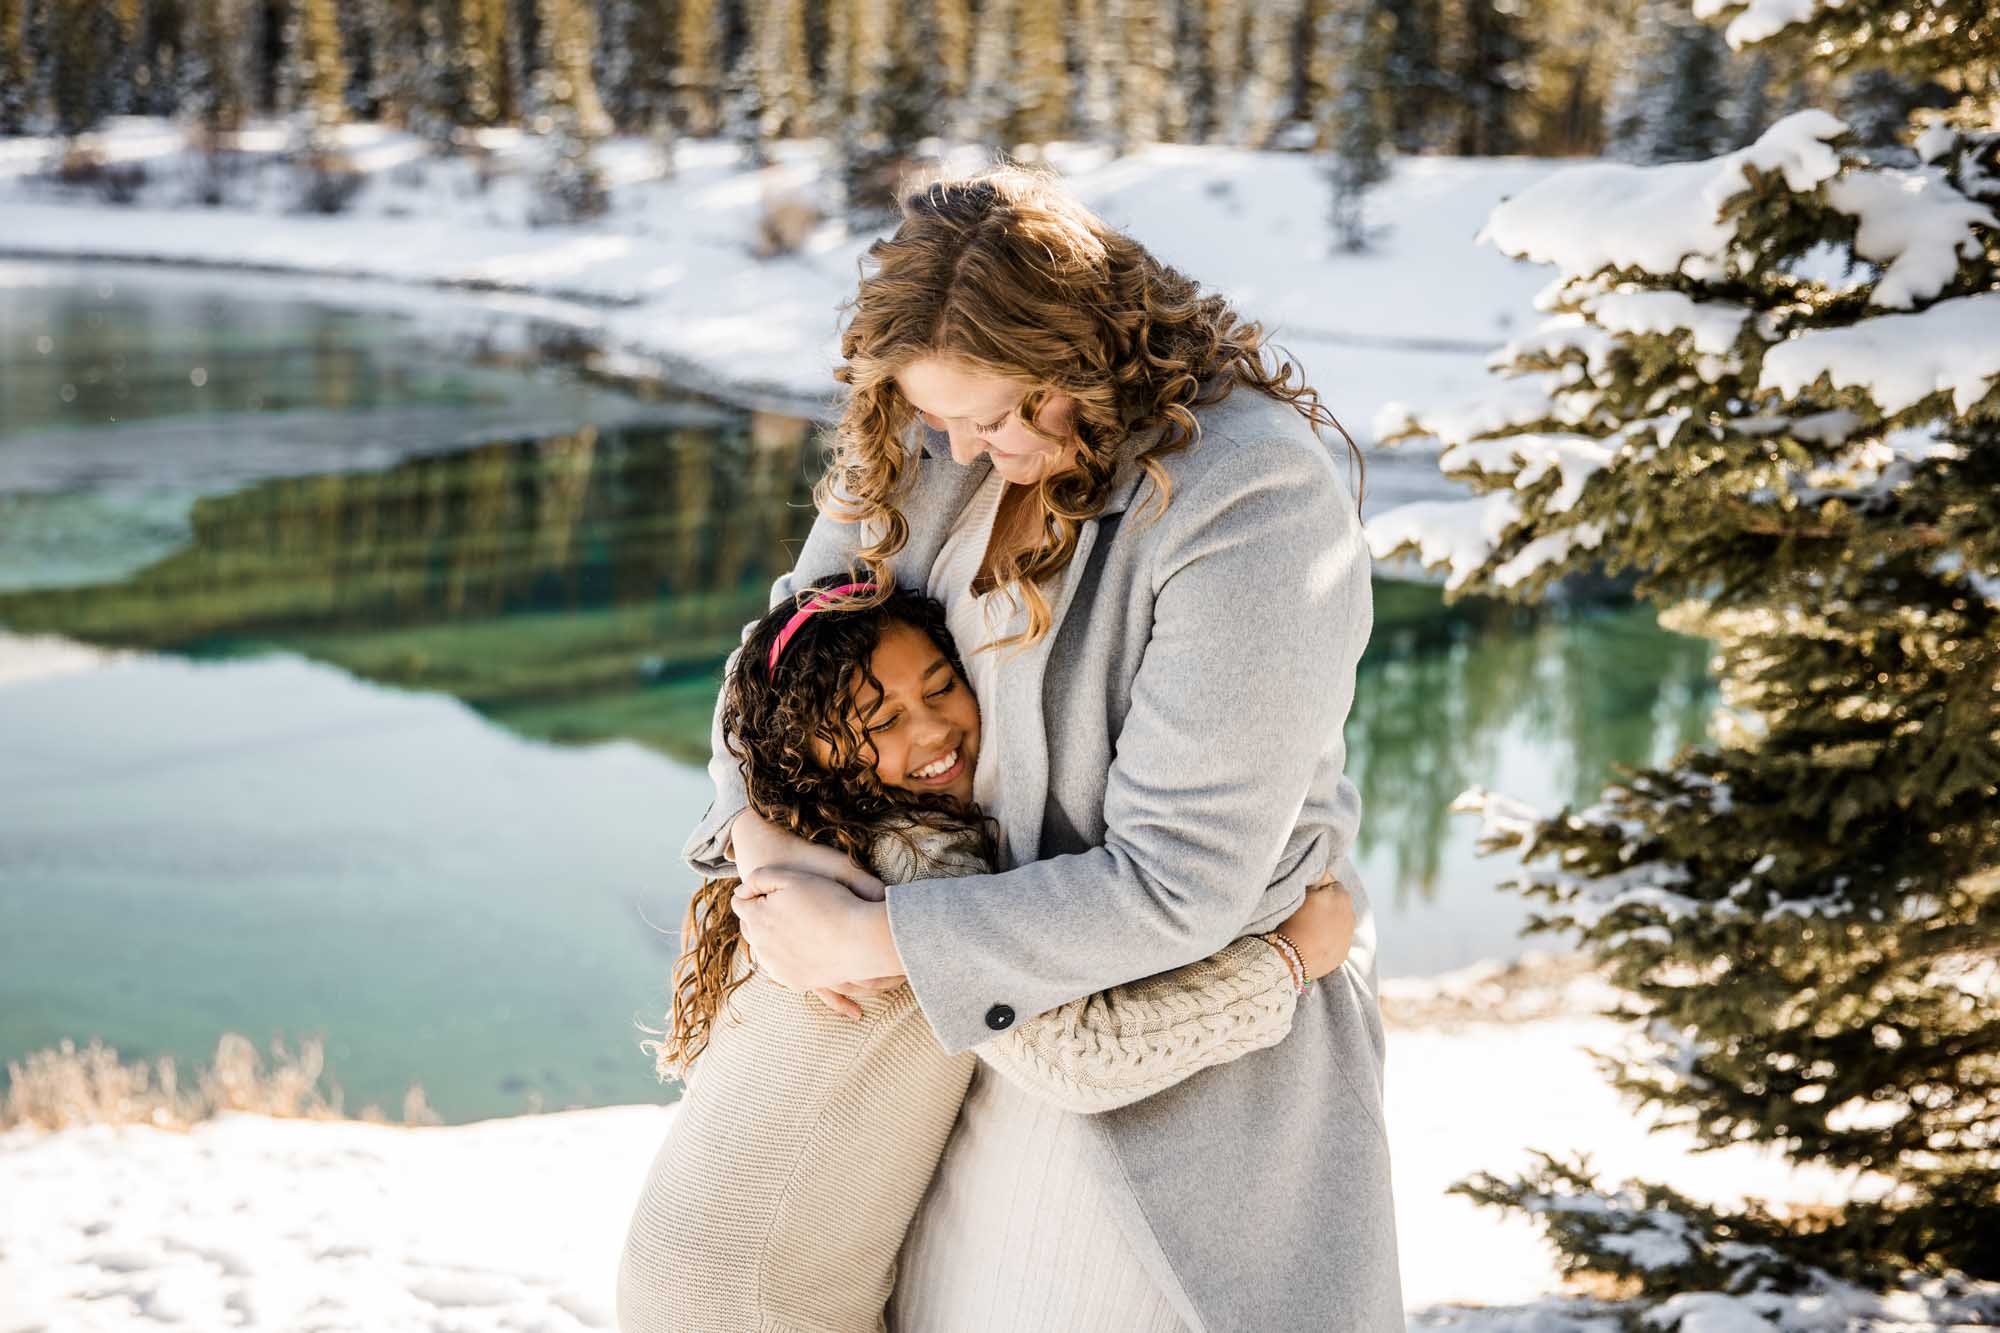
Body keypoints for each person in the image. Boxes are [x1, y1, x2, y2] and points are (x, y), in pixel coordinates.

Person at [689, 161, 1402, 1331]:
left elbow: (1178, 882)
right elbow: (772, 670)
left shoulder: (1247, 495)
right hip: (955, 1055)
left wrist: (868, 934)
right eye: (938, 415)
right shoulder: (928, 440)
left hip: (1168, 1078)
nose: (965, 450)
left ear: (1087, 355)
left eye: (1000, 415)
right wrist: (764, 852)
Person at [617, 576, 1353, 1333]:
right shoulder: (915, 860)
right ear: (809, 748)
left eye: (941, 687)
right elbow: (1082, 1056)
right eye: (882, 721)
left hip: (682, 1255)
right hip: (751, 1306)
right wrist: (1286, 963)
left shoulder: (799, 840)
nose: (932, 729)